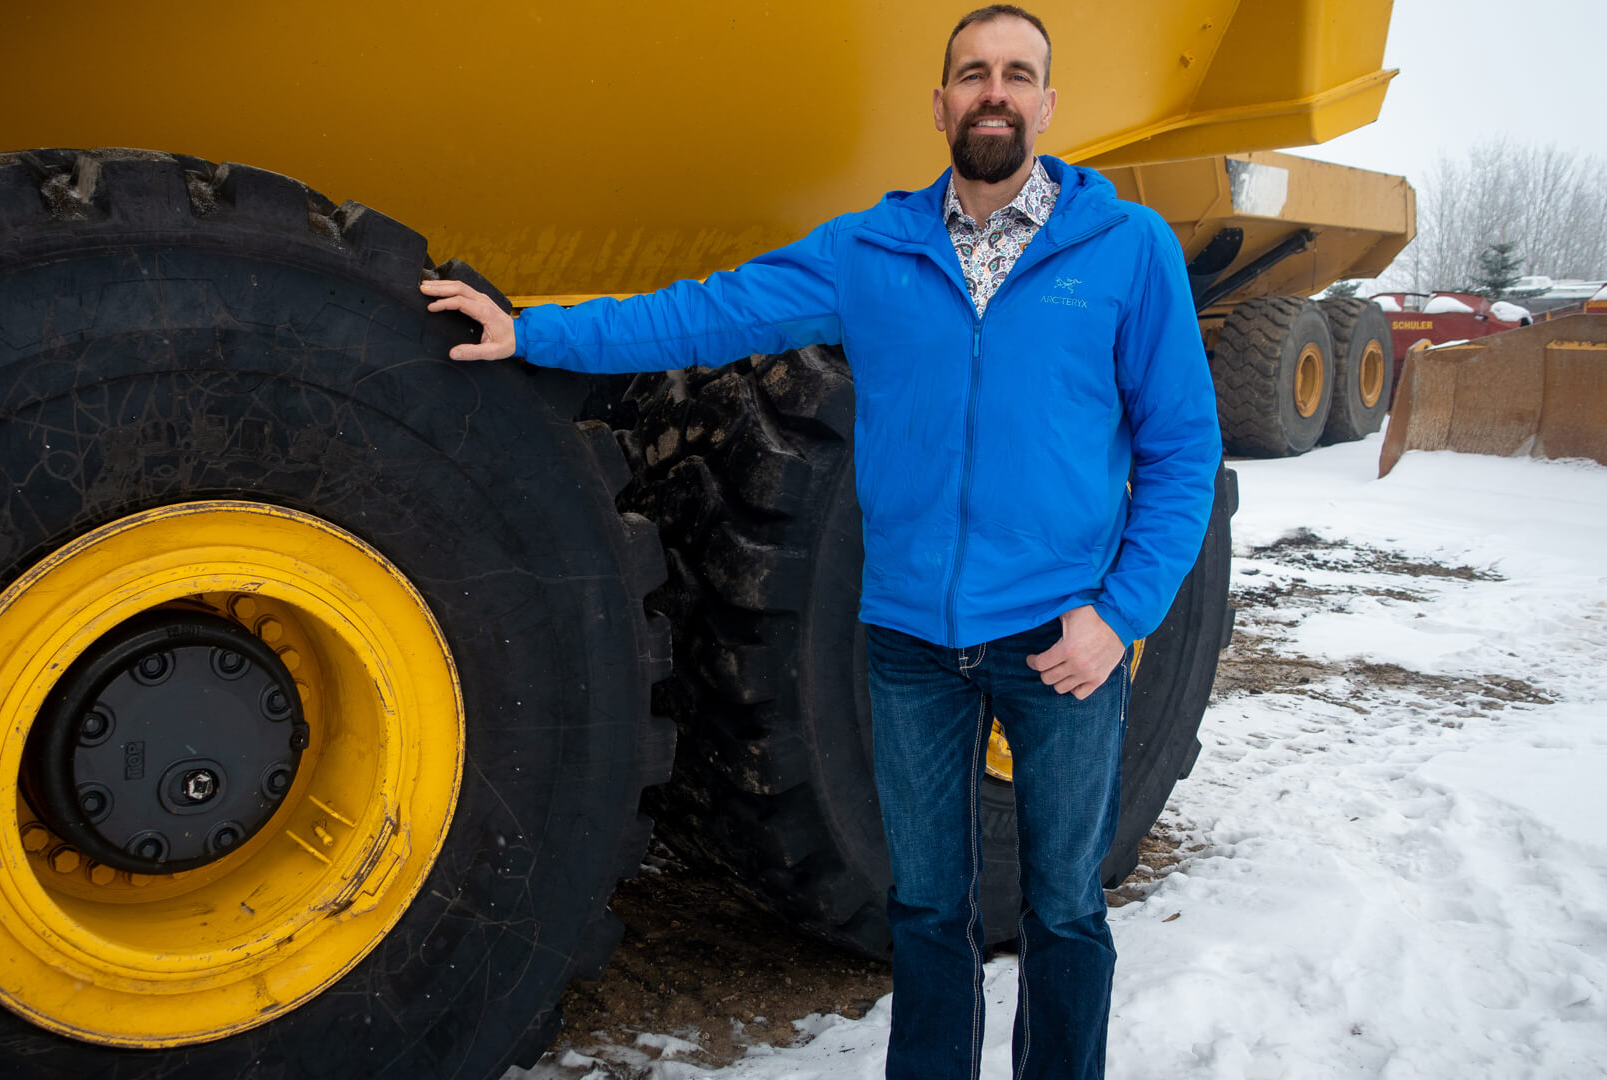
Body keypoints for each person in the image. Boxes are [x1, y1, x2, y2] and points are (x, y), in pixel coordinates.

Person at [421, 6, 1219, 1077]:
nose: (995, 91)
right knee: (929, 909)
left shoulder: (1127, 252)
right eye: (973, 73)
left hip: (1060, 642)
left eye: (1018, 74)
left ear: (1047, 104)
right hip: (910, 645)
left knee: (1066, 909)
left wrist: (1116, 619)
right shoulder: (871, 251)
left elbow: (1182, 455)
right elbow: (702, 315)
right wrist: (537, 332)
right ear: (940, 104)